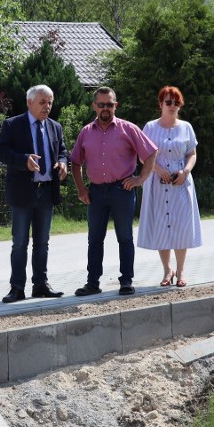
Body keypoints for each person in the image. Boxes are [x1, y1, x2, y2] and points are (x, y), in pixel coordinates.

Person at [70, 87, 158, 296]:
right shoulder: (85, 132)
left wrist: (140, 179)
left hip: (122, 190)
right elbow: (75, 162)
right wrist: (81, 189)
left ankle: (126, 281)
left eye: (109, 104)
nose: (105, 108)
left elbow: (152, 153)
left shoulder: (128, 129)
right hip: (96, 193)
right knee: (95, 238)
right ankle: (93, 283)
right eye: (101, 105)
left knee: (125, 237)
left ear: (115, 105)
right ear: (94, 106)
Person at [0, 84, 69, 303]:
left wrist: (63, 163)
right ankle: (17, 287)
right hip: (22, 192)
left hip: (46, 192)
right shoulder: (13, 125)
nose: (47, 106)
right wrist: (23, 160)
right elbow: (2, 151)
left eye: (50, 102)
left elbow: (63, 151)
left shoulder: (55, 127)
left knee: (42, 242)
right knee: (19, 242)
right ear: (29, 103)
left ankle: (40, 285)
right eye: (42, 102)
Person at [137, 86, 203, 287]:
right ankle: (167, 270)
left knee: (181, 226)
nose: (172, 106)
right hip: (157, 181)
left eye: (176, 102)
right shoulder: (150, 127)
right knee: (161, 226)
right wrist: (158, 169)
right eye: (168, 102)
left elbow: (191, 153)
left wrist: (185, 172)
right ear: (160, 104)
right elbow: (142, 155)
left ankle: (181, 271)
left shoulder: (186, 127)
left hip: (181, 181)